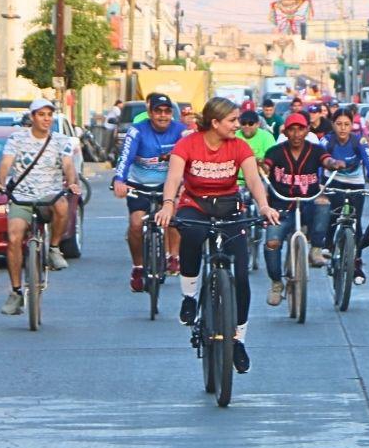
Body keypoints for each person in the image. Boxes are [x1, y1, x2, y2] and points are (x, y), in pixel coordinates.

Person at [153, 98, 280, 374]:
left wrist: (264, 205)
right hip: (195, 204)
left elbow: (254, 179)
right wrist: (167, 205)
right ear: (215, 123)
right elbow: (174, 178)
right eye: (232, 120)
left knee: (242, 277)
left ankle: (238, 341)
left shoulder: (239, 146)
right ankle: (189, 296)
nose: (237, 125)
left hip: (229, 207)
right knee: (192, 234)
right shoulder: (188, 144)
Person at [0, 99, 81, 316]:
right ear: (32, 117)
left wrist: (72, 182)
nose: (46, 119)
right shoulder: (17, 138)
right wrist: (1, 183)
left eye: (49, 115)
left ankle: (54, 248)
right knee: (13, 238)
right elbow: (6, 163)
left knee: (62, 205)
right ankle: (15, 292)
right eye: (41, 115)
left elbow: (68, 165)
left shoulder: (60, 140)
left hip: (49, 195)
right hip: (22, 195)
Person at [261, 114, 346, 306]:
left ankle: (316, 248)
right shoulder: (275, 151)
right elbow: (267, 166)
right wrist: (263, 168)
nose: (296, 134)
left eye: (300, 129)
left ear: (307, 130)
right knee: (272, 243)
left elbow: (327, 161)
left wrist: (335, 164)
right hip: (281, 206)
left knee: (323, 203)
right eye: (292, 129)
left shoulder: (316, 150)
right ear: (285, 132)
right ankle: (276, 283)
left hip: (308, 202)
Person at [113, 92, 188, 291]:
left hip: (168, 186)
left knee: (173, 217)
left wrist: (188, 183)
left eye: (167, 111)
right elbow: (125, 158)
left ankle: (174, 256)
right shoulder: (137, 131)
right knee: (136, 224)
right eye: (158, 111)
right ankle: (138, 267)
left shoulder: (181, 131)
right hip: (139, 185)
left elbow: (191, 159)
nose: (163, 116)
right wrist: (119, 180)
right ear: (149, 113)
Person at [320, 109, 369, 284]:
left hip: (355, 182)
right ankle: (328, 245)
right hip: (332, 180)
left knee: (356, 222)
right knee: (334, 213)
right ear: (333, 124)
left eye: (346, 124)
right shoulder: (326, 141)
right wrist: (320, 183)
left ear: (352, 126)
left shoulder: (359, 142)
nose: (342, 128)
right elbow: (319, 162)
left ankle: (357, 262)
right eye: (339, 124)